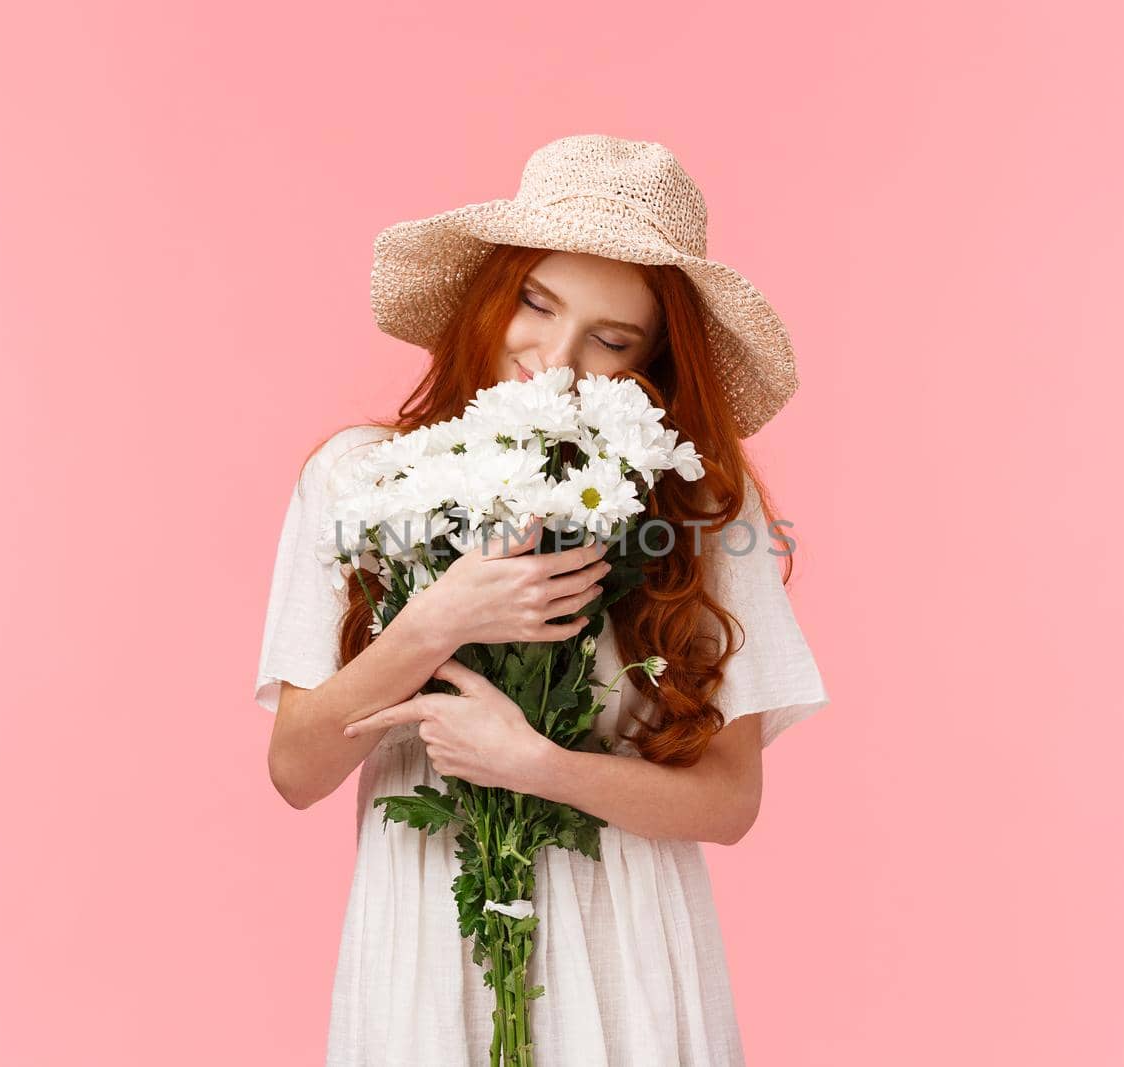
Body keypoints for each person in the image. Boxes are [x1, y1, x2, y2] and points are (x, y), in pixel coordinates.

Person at [254, 134, 830, 1066]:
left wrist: (536, 766)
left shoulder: (701, 508)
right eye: (538, 301)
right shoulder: (360, 479)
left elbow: (729, 801)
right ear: (494, 290)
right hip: (427, 943)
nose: (554, 360)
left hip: (624, 952)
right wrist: (442, 617)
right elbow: (295, 769)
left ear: (655, 366)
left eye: (611, 340)